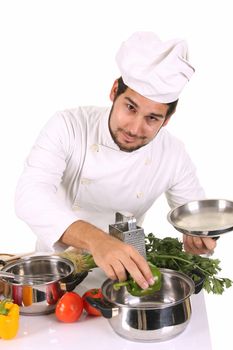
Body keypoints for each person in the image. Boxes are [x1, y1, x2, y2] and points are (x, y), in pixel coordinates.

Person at [15, 31, 216, 290]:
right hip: (55, 275)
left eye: (152, 118)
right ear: (113, 91)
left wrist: (199, 238)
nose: (134, 128)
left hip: (125, 281)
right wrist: (97, 240)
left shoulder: (173, 154)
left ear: (166, 120)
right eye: (130, 107)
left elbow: (194, 216)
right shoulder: (69, 126)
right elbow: (29, 196)